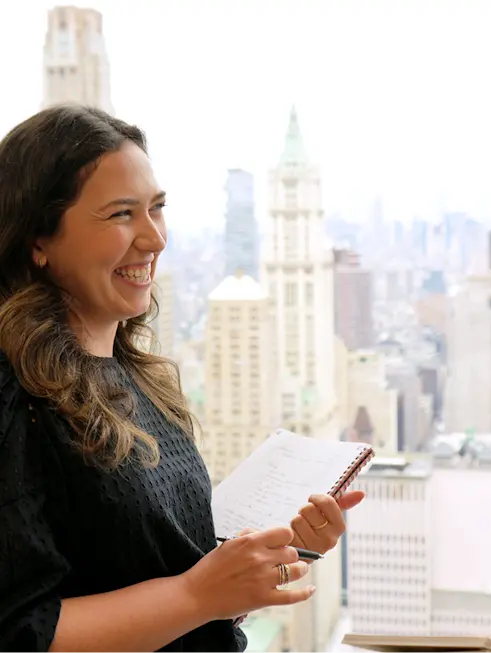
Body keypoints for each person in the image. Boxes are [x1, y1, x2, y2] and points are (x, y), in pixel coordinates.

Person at [0, 105, 365, 653]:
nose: (154, 238)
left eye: (157, 209)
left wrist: (275, 555)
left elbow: (179, 588)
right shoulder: (15, 398)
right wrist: (198, 594)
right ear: (38, 240)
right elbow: (16, 631)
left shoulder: (144, 381)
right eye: (122, 214)